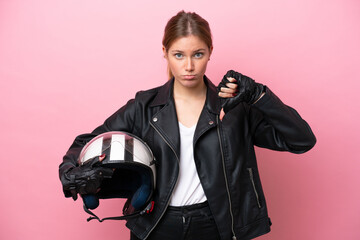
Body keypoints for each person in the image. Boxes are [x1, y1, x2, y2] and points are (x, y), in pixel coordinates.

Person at [59, 10, 316, 240]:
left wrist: (260, 95)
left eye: (198, 54)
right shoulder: (144, 106)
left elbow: (301, 140)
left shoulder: (236, 108)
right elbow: (86, 142)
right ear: (165, 52)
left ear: (210, 52)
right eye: (179, 55)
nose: (189, 66)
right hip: (156, 223)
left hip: (215, 225)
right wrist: (69, 170)